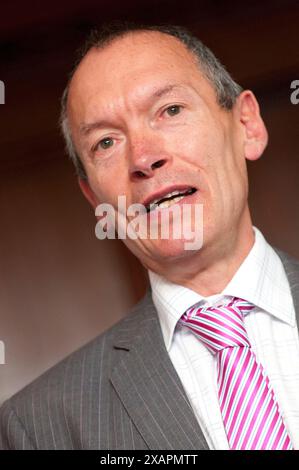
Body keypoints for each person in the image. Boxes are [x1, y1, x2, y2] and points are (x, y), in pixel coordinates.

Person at [0, 23, 299, 450]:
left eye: (170, 110)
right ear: (93, 197)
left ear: (246, 125)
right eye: (106, 142)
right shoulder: (38, 425)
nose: (143, 157)